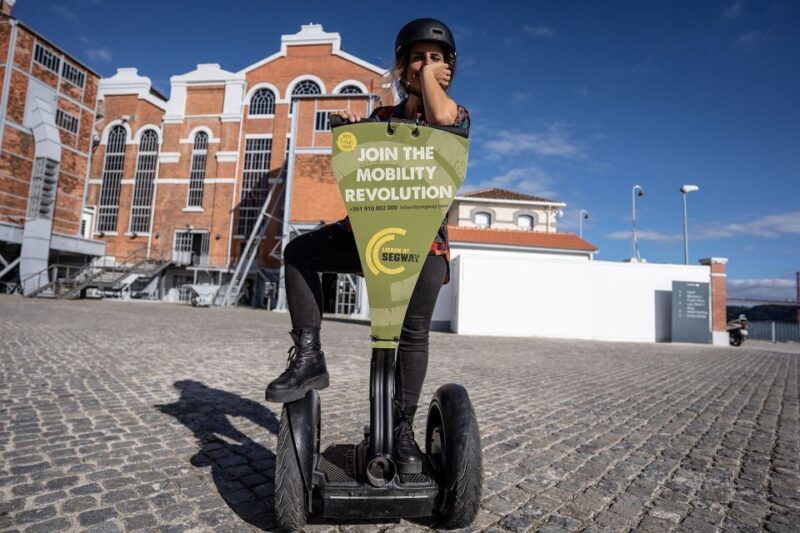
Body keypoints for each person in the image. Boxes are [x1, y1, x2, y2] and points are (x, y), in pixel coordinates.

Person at [265, 18, 470, 475]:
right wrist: (352, 133)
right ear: (401, 66)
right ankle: (309, 356)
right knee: (300, 253)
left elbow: (439, 119)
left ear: (449, 70)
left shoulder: (456, 116)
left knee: (411, 336)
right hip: (369, 234)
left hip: (424, 246)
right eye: (417, 57)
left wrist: (426, 81)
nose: (426, 64)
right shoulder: (381, 120)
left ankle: (401, 430)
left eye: (436, 58)